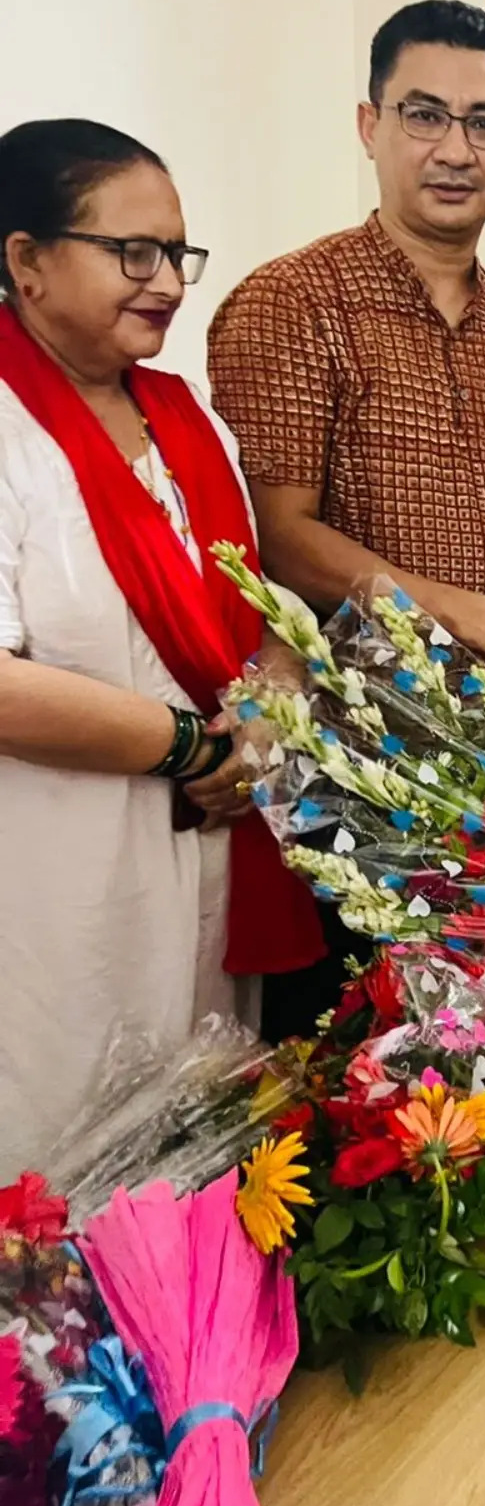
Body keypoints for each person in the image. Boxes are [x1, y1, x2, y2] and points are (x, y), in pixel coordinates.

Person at [210, 0, 485, 1033]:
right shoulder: (291, 300)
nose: (455, 149)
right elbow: (279, 534)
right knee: (345, 1057)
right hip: (341, 759)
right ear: (370, 126)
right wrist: (482, 622)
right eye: (424, 114)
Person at [0, 119, 323, 1178]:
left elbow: (259, 612)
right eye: (132, 252)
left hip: (213, 854)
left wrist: (265, 714)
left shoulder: (188, 423)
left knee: (200, 1147)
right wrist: (190, 746)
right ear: (27, 259)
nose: (169, 283)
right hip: (57, 881)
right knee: (56, 1160)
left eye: (179, 253)